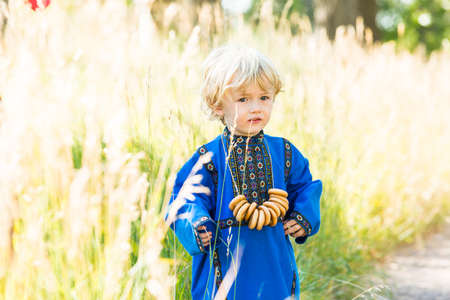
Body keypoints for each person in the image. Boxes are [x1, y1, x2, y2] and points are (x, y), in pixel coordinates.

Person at [166, 45, 322, 300]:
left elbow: (306, 187)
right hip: (226, 264)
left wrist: (303, 216)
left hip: (273, 261)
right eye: (243, 99)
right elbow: (184, 198)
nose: (256, 107)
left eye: (264, 97)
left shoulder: (283, 151)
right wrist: (197, 223)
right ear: (217, 105)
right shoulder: (208, 158)